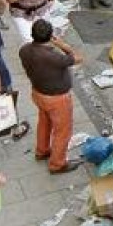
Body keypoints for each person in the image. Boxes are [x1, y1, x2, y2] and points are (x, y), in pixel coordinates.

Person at [18, 19, 83, 174]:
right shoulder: (54, 57)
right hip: (57, 99)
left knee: (44, 122)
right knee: (62, 131)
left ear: (32, 34)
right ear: (50, 36)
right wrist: (62, 44)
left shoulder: (24, 50)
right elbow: (78, 57)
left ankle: (42, 151)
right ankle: (57, 164)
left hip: (38, 93)